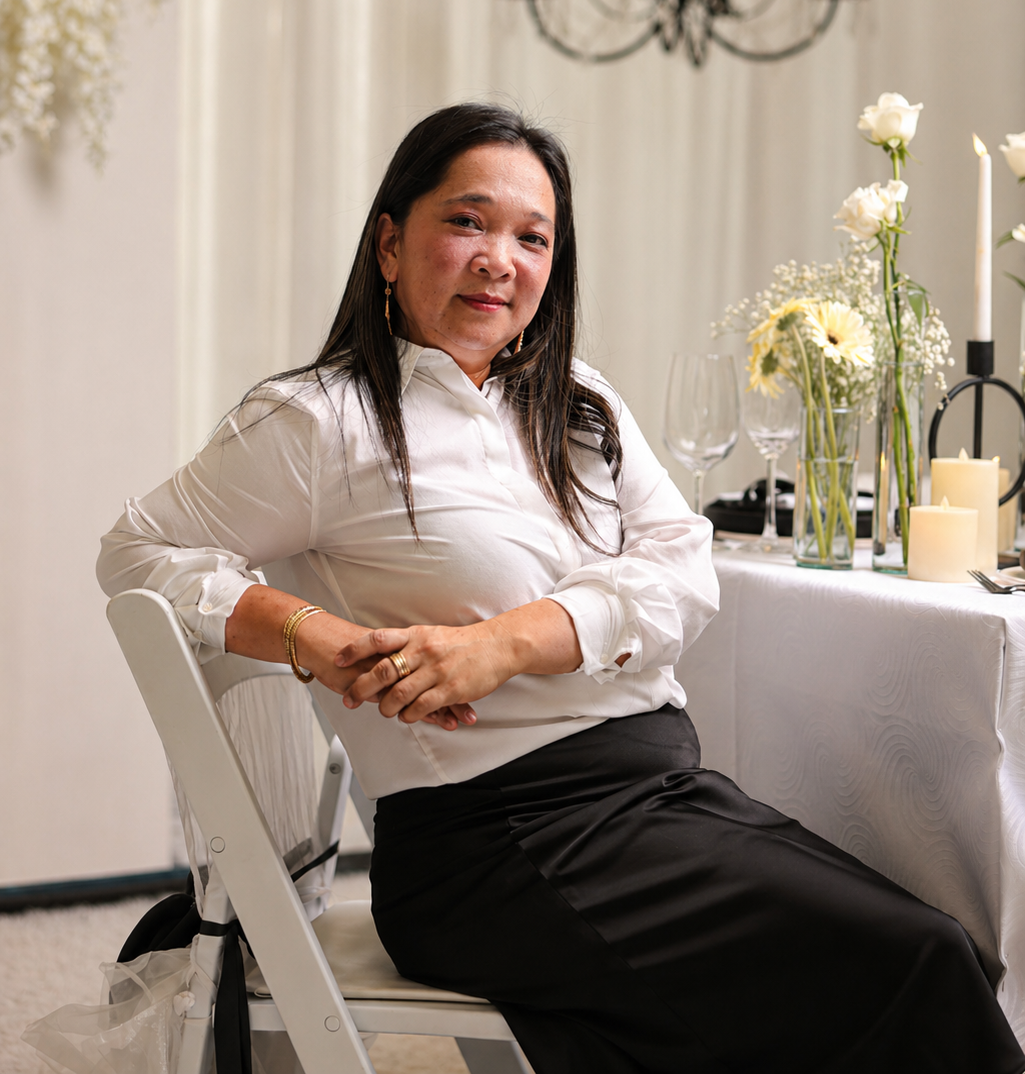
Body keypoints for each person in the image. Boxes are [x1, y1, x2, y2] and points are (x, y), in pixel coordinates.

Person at [98, 103, 1024, 1074]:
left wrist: (506, 642)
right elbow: (135, 549)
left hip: (655, 796)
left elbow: (682, 564)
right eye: (466, 221)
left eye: (531, 237)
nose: (498, 259)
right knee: (915, 963)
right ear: (389, 243)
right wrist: (310, 634)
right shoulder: (319, 420)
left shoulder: (576, 399)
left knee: (937, 944)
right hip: (496, 844)